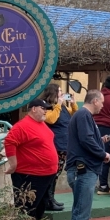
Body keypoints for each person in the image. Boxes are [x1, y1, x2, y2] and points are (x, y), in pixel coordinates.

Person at [64, 90, 110, 220]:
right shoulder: (84, 115)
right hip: (83, 169)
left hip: (82, 169)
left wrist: (100, 141)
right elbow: (86, 140)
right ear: (95, 101)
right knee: (81, 210)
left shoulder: (82, 115)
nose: (103, 106)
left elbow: (85, 139)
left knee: (81, 209)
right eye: (102, 102)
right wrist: (103, 154)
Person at [3, 98, 59, 220]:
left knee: (41, 206)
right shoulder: (22, 125)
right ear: (34, 109)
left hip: (47, 174)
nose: (46, 111)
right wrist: (13, 164)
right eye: (43, 108)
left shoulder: (41, 123)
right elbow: (10, 142)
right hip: (31, 175)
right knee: (27, 207)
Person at [42, 83, 74, 212]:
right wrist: (59, 105)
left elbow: (73, 114)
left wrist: (73, 104)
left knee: (57, 173)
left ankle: (51, 198)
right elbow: (51, 120)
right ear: (53, 93)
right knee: (52, 173)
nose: (62, 93)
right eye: (59, 91)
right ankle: (48, 201)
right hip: (55, 144)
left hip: (64, 144)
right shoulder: (48, 107)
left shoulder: (62, 107)